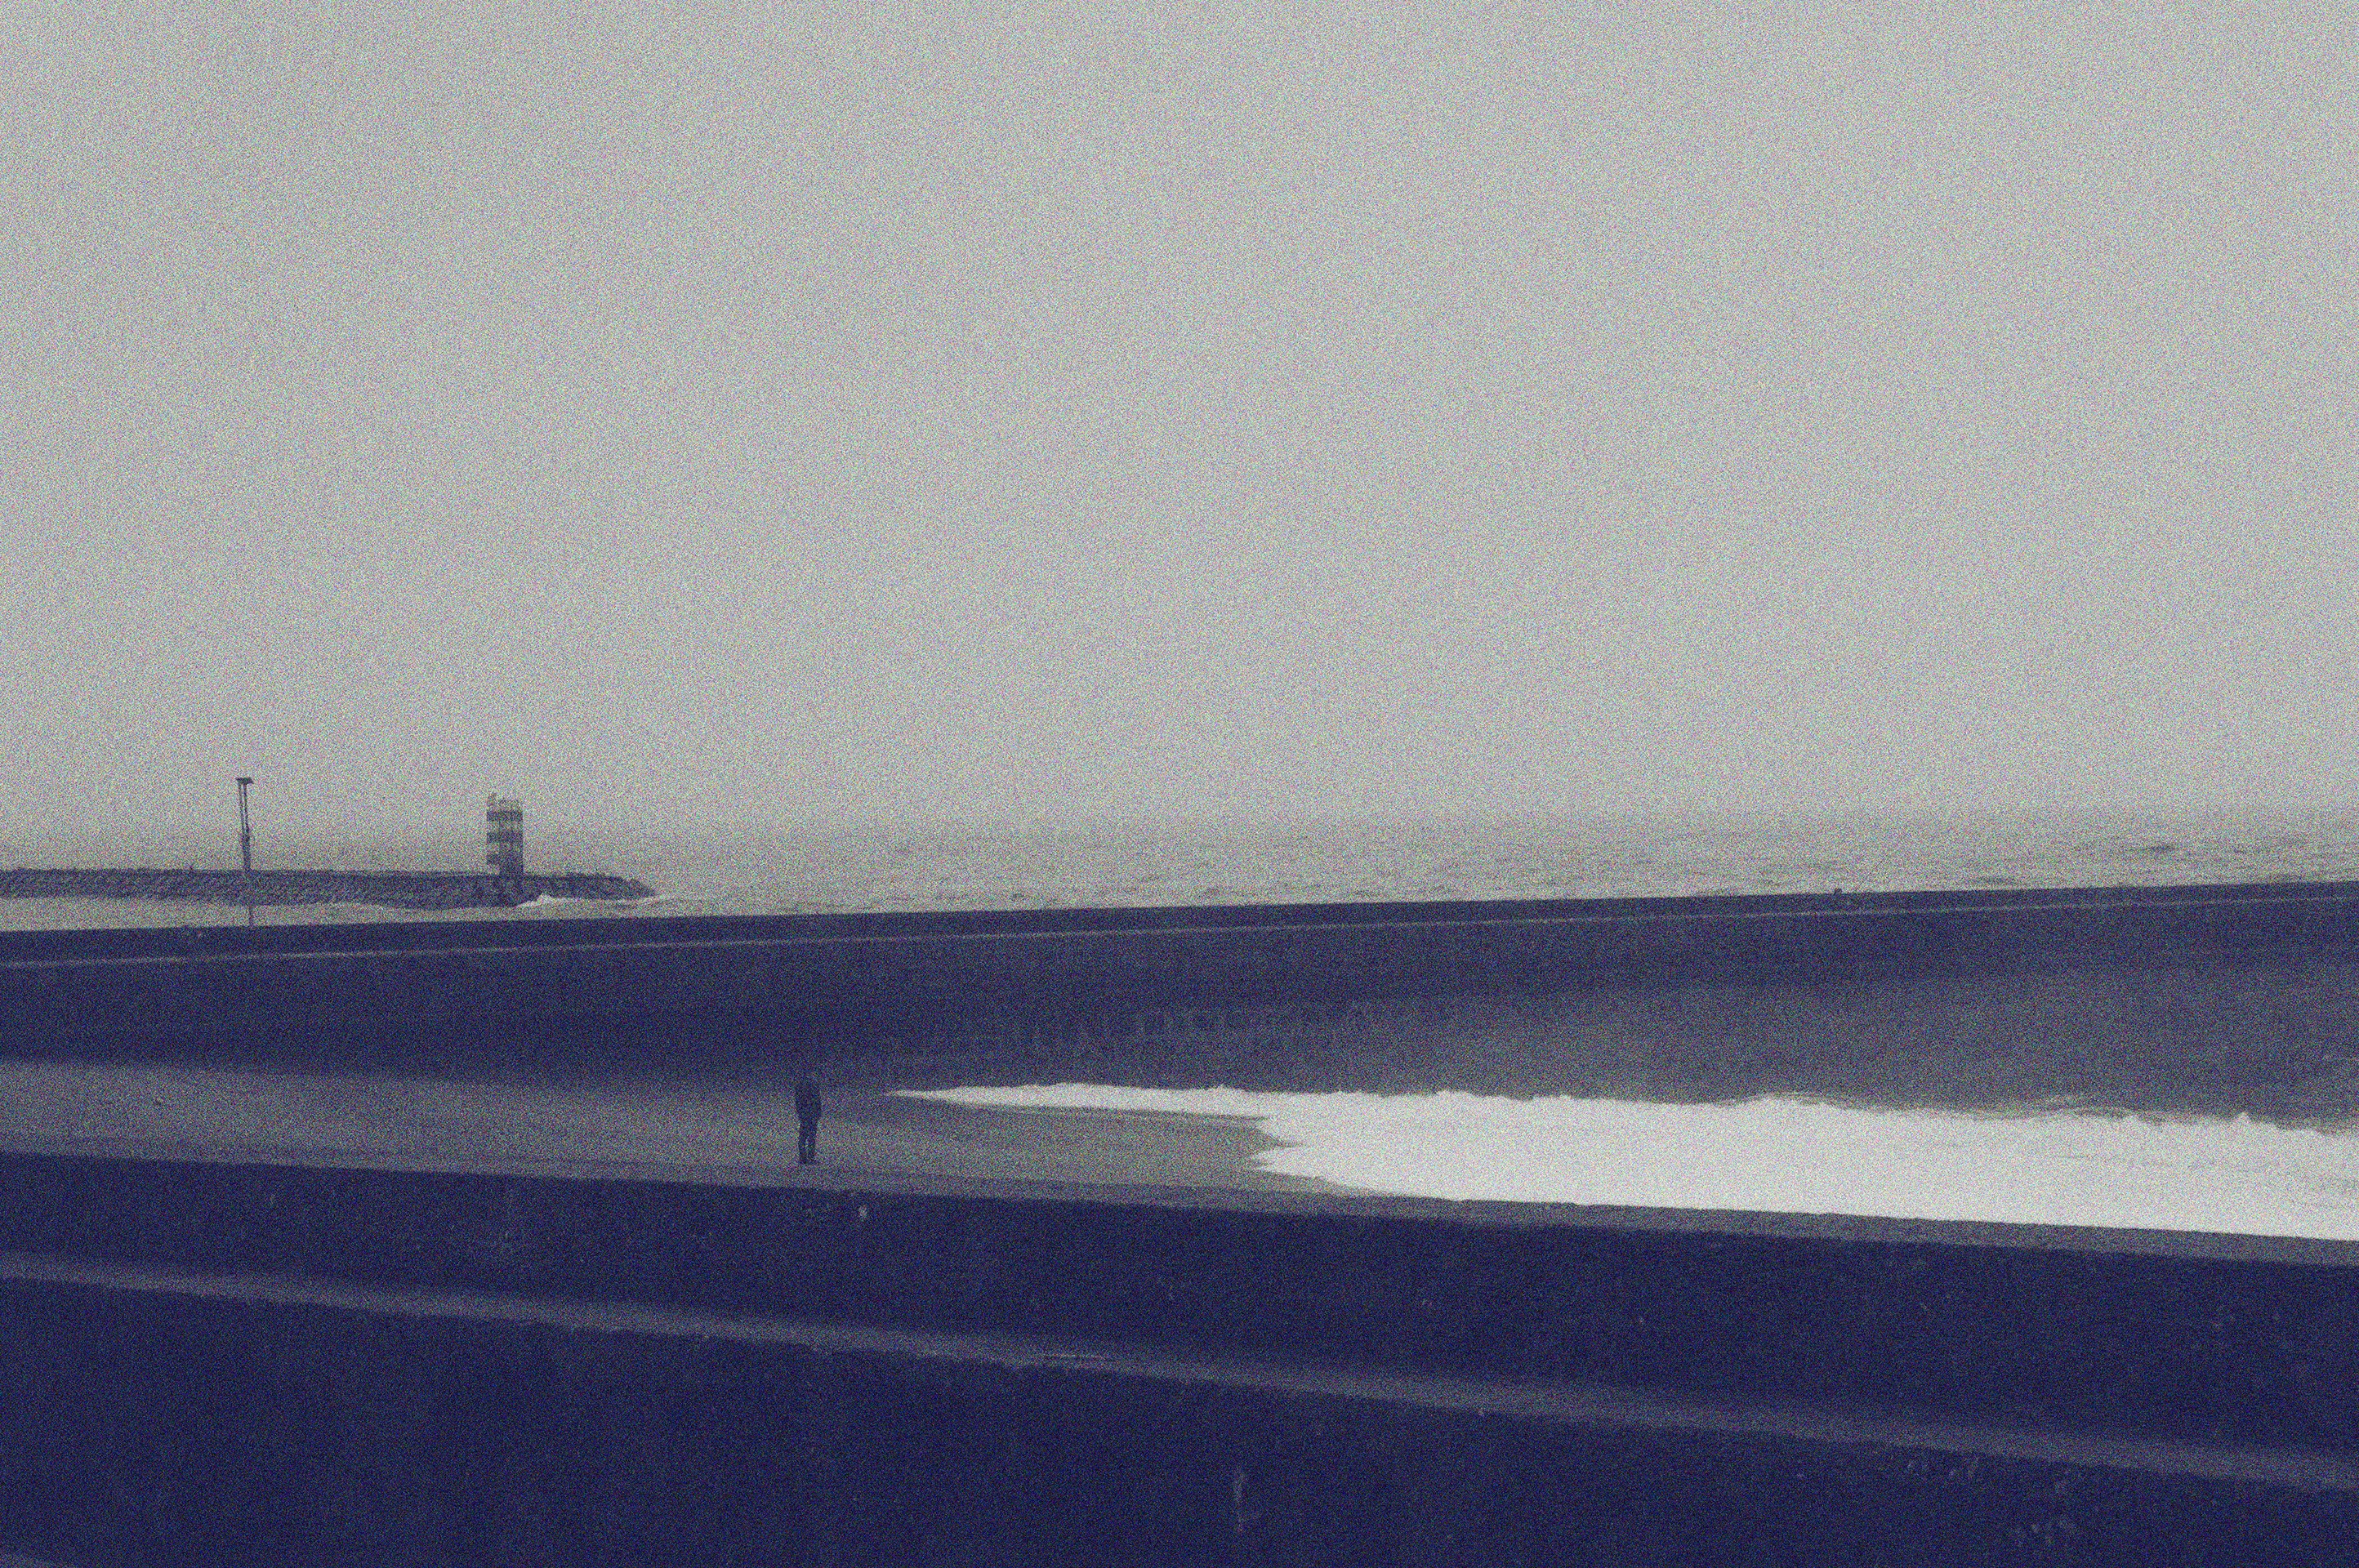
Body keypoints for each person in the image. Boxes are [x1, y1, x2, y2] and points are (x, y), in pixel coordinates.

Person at [795, 1075, 823, 1165]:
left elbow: (798, 1102)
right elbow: (817, 1102)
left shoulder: (800, 1087)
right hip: (811, 1114)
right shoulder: (814, 1087)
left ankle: (803, 1157)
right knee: (811, 1136)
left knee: (803, 1136)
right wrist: (818, 1113)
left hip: (804, 1114)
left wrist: (800, 1112)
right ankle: (810, 1157)